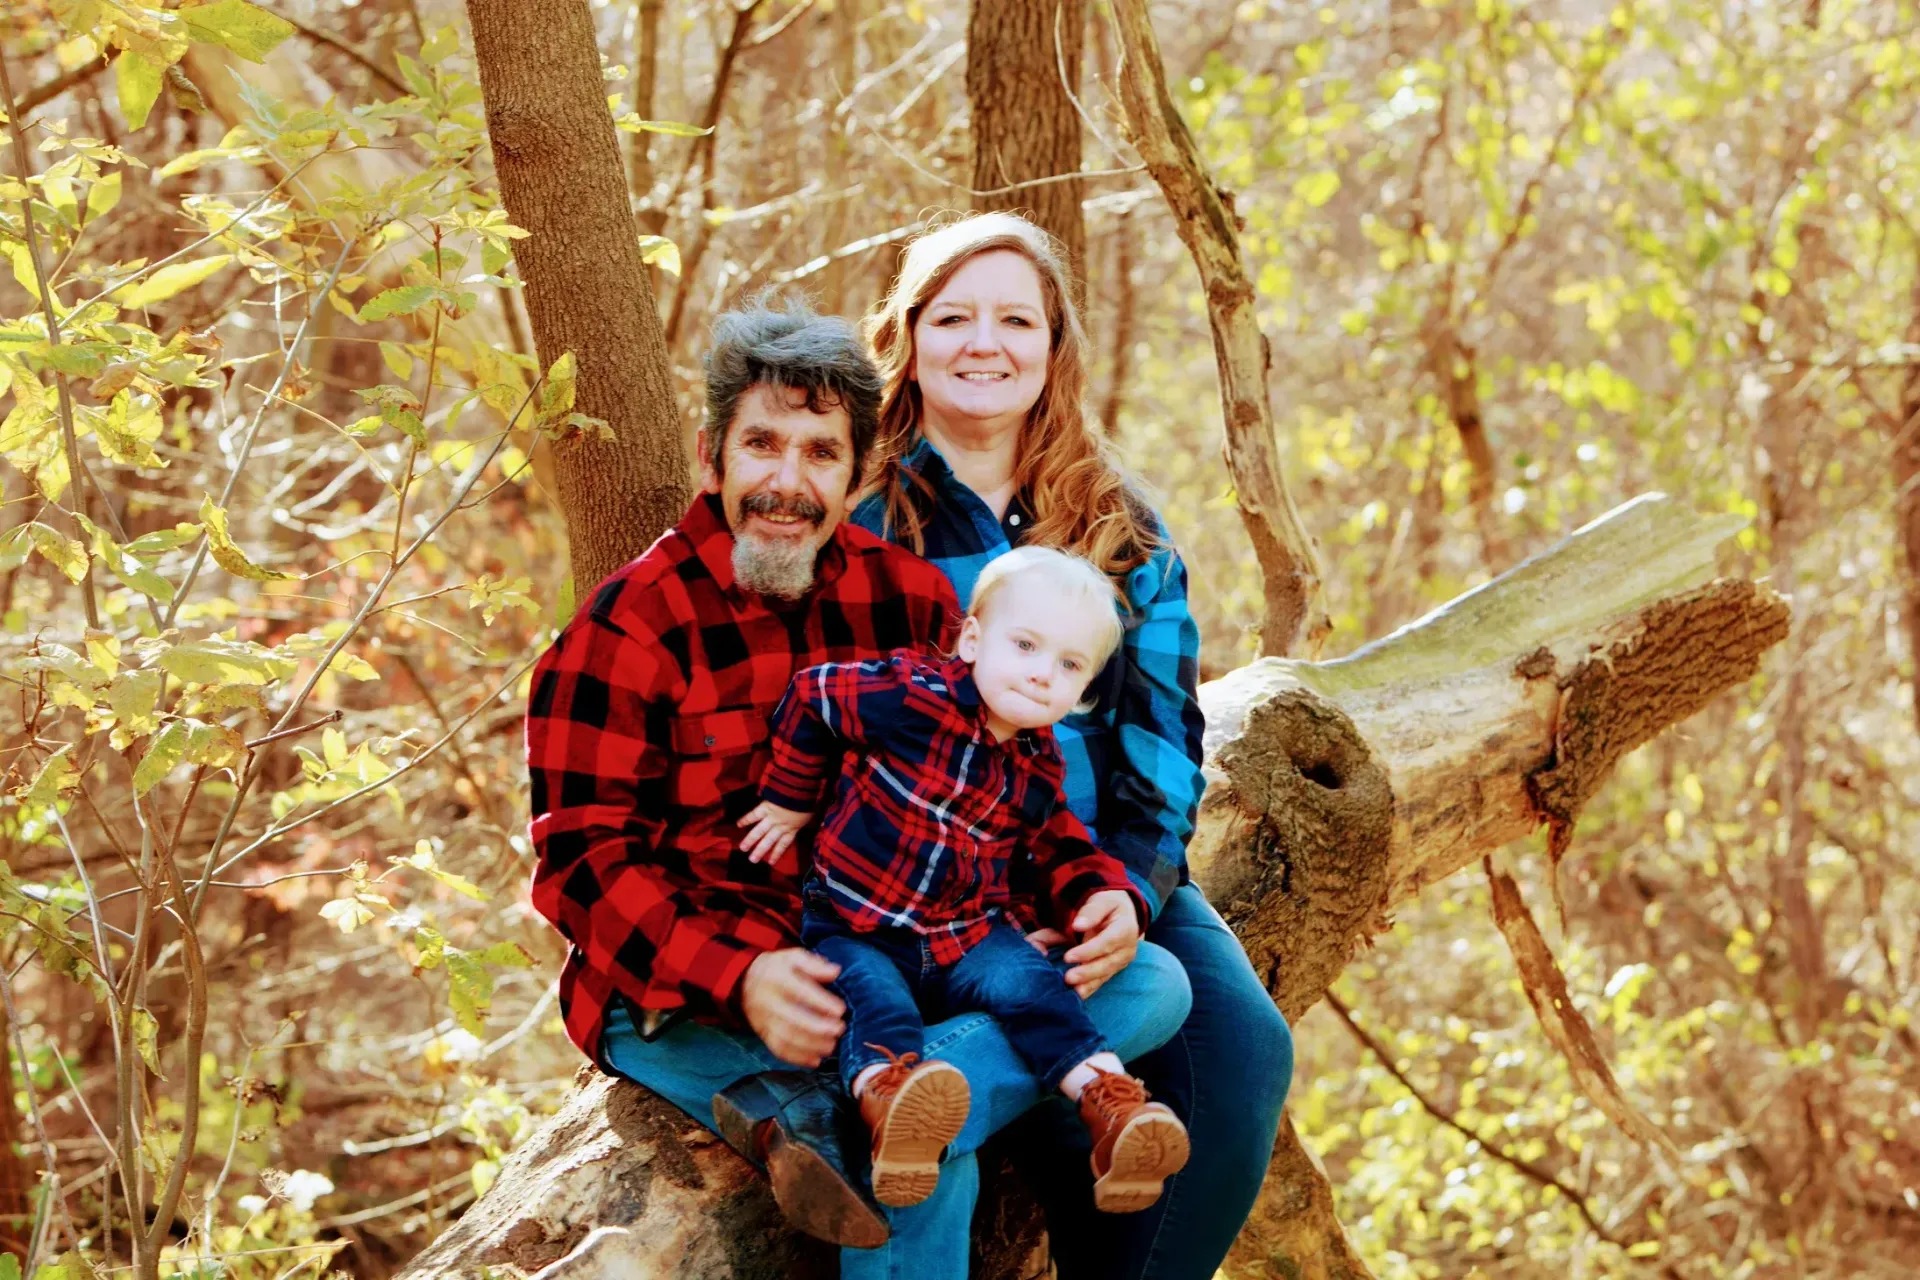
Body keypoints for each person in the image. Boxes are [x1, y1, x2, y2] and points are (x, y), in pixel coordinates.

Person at [523, 297, 1192, 1277]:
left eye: (821, 453)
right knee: (929, 1178)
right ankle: (883, 1109)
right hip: (693, 984)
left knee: (1150, 981)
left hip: (892, 946)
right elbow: (580, 867)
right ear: (712, 457)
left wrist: (1077, 900)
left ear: (854, 473)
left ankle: (882, 1101)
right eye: (762, 445)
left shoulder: (907, 599)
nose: (786, 482)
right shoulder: (626, 628)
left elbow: (992, 782)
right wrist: (739, 975)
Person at [852, 211, 1296, 1280]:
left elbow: (1165, 734)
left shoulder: (1116, 520)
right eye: (952, 317)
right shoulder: (864, 516)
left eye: (1016, 319)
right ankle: (916, 1106)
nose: (984, 343)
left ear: (1054, 344)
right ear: (907, 337)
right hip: (925, 874)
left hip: (1096, 864)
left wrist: (1128, 893)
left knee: (1241, 1051)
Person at [737, 546, 1190, 1214]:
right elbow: (813, 695)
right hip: (858, 925)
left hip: (966, 934)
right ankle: (893, 1109)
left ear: (1084, 690)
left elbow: (1055, 842)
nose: (1041, 674)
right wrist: (789, 799)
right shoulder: (909, 696)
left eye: (1068, 665)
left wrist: (1097, 896)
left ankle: (1112, 1110)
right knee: (877, 1006)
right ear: (972, 640)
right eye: (1026, 645)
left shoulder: (1038, 762)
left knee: (1038, 991)